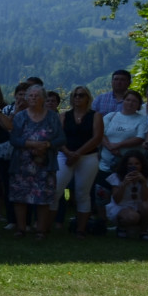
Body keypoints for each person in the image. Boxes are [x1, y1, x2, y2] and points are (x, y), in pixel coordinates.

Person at [5, 83, 62, 239]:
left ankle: (40, 231)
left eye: (37, 96)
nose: (33, 98)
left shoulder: (52, 116)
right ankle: (21, 229)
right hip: (22, 164)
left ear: (43, 98)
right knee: (20, 197)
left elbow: (61, 138)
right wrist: (31, 144)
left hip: (44, 163)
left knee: (43, 197)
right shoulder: (20, 116)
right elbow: (14, 139)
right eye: (30, 95)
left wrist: (47, 145)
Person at [52, 85, 103, 236]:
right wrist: (68, 153)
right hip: (64, 155)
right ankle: (47, 226)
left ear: (88, 98)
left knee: (82, 193)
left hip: (88, 157)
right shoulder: (64, 116)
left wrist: (78, 154)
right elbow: (58, 137)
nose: (77, 98)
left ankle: (81, 229)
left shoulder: (96, 116)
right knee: (55, 190)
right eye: (75, 95)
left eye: (81, 95)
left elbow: (97, 138)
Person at [100, 89, 147, 176]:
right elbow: (100, 134)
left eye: (134, 101)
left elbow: (140, 138)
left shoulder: (142, 120)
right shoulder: (110, 116)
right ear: (123, 101)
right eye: (128, 100)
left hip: (128, 168)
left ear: (139, 104)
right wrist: (110, 147)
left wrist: (118, 145)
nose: (130, 103)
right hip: (105, 166)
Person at [105, 149, 148, 236]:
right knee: (133, 217)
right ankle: (121, 228)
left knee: (147, 206)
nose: (134, 166)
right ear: (125, 165)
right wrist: (124, 184)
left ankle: (144, 232)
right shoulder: (117, 176)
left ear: (142, 164)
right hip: (121, 207)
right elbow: (117, 200)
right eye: (130, 164)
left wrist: (144, 182)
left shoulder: (147, 177)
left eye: (137, 164)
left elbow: (145, 198)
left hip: (139, 206)